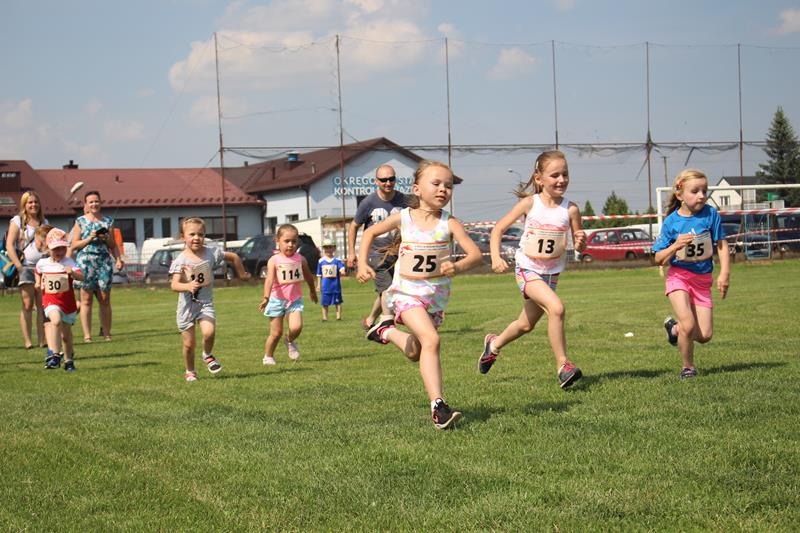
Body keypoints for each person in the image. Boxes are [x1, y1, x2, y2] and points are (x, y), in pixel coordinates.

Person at [357, 160, 482, 430]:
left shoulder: (449, 223)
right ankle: (439, 406)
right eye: (436, 183)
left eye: (448, 185)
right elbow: (369, 233)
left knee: (417, 351)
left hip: (434, 299)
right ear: (417, 189)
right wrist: (362, 263)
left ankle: (386, 332)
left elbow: (475, 255)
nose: (443, 189)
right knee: (432, 340)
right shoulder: (403, 218)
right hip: (406, 294)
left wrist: (458, 266)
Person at [478, 150, 587, 389]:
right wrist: (495, 257)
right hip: (527, 270)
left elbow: (580, 242)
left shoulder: (571, 209)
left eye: (565, 174)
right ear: (539, 179)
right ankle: (563, 366)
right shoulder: (530, 204)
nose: (561, 180)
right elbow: (497, 230)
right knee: (557, 308)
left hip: (551, 275)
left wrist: (581, 242)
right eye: (555, 175)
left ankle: (493, 345)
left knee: (525, 325)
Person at [652, 169, 730, 380]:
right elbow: (658, 258)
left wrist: (724, 273)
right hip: (679, 277)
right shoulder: (671, 222)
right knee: (688, 323)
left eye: (704, 190)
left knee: (704, 335)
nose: (701, 196)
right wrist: (675, 246)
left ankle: (674, 330)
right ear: (680, 195)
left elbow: (721, 244)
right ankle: (688, 367)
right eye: (695, 191)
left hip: (703, 280)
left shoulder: (711, 214)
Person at [169, 217, 251, 382]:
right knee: (189, 345)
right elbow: (174, 285)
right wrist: (188, 286)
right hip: (187, 307)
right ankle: (190, 371)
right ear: (183, 237)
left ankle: (207, 354)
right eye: (192, 234)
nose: (196, 238)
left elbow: (233, 256)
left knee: (209, 332)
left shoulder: (211, 252)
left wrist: (242, 274)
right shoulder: (180, 260)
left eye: (200, 234)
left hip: (205, 304)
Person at [347, 164, 408, 331]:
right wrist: (352, 253)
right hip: (376, 254)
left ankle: (370, 320)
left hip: (398, 253)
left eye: (391, 179)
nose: (388, 183)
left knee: (389, 290)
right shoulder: (368, 202)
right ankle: (387, 326)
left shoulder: (404, 200)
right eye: (383, 180)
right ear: (376, 181)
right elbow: (353, 226)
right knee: (387, 289)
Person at [68, 190, 124, 343]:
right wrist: (89, 238)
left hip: (103, 262)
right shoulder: (80, 221)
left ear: (101, 202)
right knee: (86, 299)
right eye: (91, 202)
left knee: (105, 298)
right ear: (86, 204)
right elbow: (74, 244)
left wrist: (116, 256)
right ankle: (87, 335)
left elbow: (113, 245)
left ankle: (107, 333)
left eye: (96, 201)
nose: (94, 204)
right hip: (86, 262)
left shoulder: (108, 221)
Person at [259, 224, 318, 365]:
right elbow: (269, 280)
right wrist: (266, 297)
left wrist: (312, 290)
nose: (290, 245)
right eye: (287, 241)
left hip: (294, 300)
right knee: (276, 333)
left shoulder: (301, 259)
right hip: (276, 300)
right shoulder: (274, 260)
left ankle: (289, 340)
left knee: (296, 327)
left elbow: (308, 276)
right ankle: (268, 356)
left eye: (294, 241)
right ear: (278, 241)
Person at [35, 228, 84, 372]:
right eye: (56, 249)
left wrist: (72, 273)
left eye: (62, 248)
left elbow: (83, 277)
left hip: (67, 304)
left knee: (66, 337)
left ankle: (68, 361)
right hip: (50, 301)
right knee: (55, 321)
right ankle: (55, 355)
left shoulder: (69, 262)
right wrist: (38, 283)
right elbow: (37, 271)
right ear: (48, 248)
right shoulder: (43, 263)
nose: (60, 252)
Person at [5, 191, 48, 349]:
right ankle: (28, 341)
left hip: (42, 267)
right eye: (30, 202)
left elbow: (47, 244)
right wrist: (18, 265)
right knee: (27, 304)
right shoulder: (18, 221)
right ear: (24, 205)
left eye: (35, 202)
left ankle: (42, 339)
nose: (33, 205)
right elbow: (10, 245)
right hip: (26, 267)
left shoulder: (44, 222)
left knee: (42, 306)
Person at [316, 237, 346, 321]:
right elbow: (319, 274)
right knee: (325, 302)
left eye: (330, 247)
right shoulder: (321, 261)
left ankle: (338, 317)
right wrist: (318, 285)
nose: (328, 250)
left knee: (338, 302)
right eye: (326, 248)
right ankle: (325, 317)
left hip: (335, 285)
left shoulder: (337, 260)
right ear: (323, 249)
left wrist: (342, 270)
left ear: (334, 248)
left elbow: (341, 268)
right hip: (325, 286)